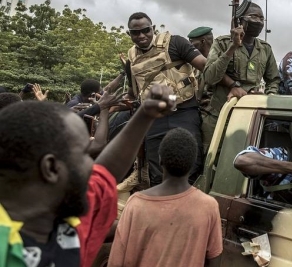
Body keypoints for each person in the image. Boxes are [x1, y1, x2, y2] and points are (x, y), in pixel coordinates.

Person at [0, 84, 175, 267]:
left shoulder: (61, 220)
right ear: (51, 168)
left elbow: (106, 171)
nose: (93, 165)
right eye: (84, 154)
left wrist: (146, 114)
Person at [108, 128, 222, 267]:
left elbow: (116, 261)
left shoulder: (137, 204)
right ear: (193, 164)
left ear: (160, 159)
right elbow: (214, 259)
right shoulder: (209, 206)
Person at [126, 12, 207, 187]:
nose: (141, 36)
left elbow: (205, 67)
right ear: (129, 34)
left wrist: (232, 85)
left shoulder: (175, 42)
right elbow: (133, 90)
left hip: (184, 111)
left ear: (153, 29)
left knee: (191, 164)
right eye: (135, 32)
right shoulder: (131, 57)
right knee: (156, 169)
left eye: (146, 30)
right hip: (154, 118)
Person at [203, 0, 280, 152]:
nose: (258, 22)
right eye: (253, 17)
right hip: (220, 116)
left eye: (261, 18)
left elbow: (273, 80)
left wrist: (267, 99)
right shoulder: (222, 43)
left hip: (249, 118)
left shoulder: (265, 49)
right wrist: (233, 46)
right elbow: (210, 77)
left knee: (244, 159)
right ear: (241, 21)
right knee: (212, 160)